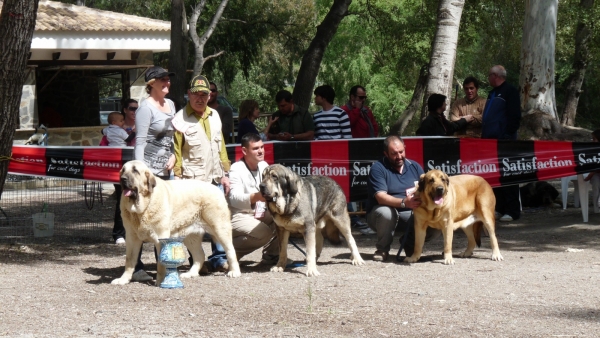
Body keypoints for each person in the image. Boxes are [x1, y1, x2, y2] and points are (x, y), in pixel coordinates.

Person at [172, 74, 231, 272]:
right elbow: (176, 151)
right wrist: (177, 178)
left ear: (210, 95)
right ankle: (196, 260)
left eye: (204, 94)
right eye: (196, 94)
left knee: (218, 219)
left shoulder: (215, 115)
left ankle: (220, 258)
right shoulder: (179, 119)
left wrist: (225, 173)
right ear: (189, 94)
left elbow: (221, 144)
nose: (200, 98)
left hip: (214, 179)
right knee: (190, 224)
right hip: (192, 181)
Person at [131, 66, 178, 282]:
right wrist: (141, 173)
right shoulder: (145, 109)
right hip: (148, 172)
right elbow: (140, 141)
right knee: (140, 218)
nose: (167, 83)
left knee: (165, 218)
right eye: (162, 80)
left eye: (168, 80)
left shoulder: (171, 105)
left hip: (166, 172)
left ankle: (166, 266)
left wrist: (174, 156)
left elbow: (172, 138)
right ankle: (135, 266)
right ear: (151, 84)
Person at [312, 85, 374, 235]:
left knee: (343, 190)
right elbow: (315, 138)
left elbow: (347, 138)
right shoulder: (315, 116)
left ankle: (351, 221)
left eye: (317, 96)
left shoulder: (341, 114)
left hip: (339, 161)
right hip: (321, 161)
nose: (315, 99)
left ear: (323, 97)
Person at [366, 136, 439, 261]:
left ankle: (409, 244)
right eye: (394, 154)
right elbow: (380, 198)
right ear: (386, 154)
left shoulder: (415, 167)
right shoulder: (378, 168)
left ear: (405, 148)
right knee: (386, 213)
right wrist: (404, 203)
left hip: (410, 212)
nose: (399, 156)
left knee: (435, 220)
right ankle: (382, 249)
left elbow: (425, 191)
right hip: (382, 214)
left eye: (401, 152)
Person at [228, 133, 279, 263]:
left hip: (259, 211)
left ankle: (271, 255)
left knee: (282, 218)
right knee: (264, 233)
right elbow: (234, 198)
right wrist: (257, 197)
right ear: (244, 151)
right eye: (256, 148)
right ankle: (227, 254)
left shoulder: (264, 165)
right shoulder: (235, 169)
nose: (261, 151)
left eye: (262, 147)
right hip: (238, 215)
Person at [482, 65, 522, 222]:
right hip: (489, 140)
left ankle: (512, 210)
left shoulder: (510, 91)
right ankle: (499, 207)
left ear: (495, 75)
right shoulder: (492, 93)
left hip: (504, 140)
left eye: (489, 75)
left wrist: (508, 134)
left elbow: (514, 115)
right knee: (494, 174)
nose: (488, 78)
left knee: (508, 173)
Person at [111, 99, 138, 245]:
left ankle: (138, 233)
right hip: (121, 170)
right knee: (122, 199)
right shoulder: (115, 128)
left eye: (137, 109)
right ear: (125, 110)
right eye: (132, 108)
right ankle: (119, 233)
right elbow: (104, 145)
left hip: (138, 169)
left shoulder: (142, 124)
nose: (135, 112)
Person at [584, 129, 600, 213]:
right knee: (596, 183)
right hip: (596, 174)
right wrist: (590, 176)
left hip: (595, 172)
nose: (592, 140)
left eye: (594, 139)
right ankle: (596, 208)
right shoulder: (592, 149)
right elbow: (593, 166)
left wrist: (589, 176)